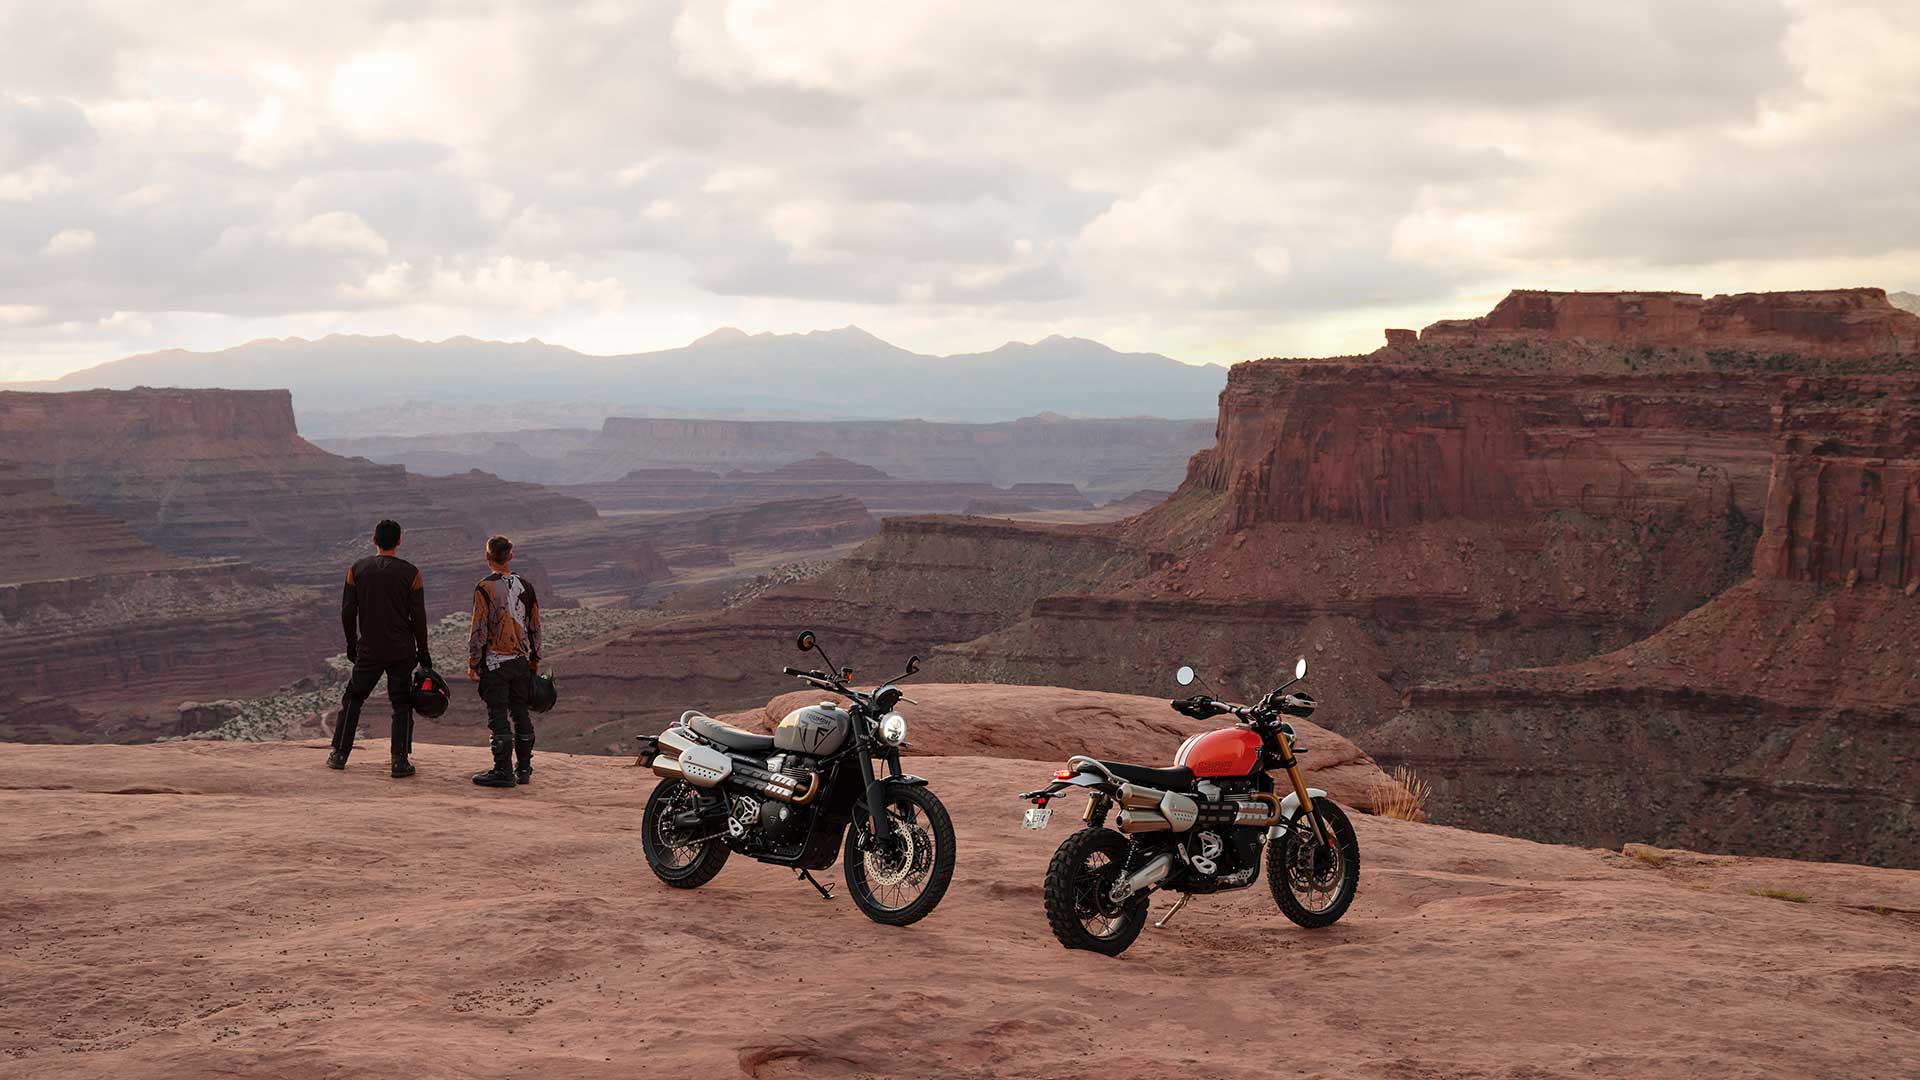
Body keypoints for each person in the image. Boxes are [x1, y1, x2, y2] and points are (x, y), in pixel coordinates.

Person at [332, 519, 431, 777]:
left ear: (374, 540)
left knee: (354, 698)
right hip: (401, 649)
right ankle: (399, 761)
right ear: (399, 541)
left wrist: (351, 642)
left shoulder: (357, 569)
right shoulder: (412, 573)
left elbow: (347, 610)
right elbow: (418, 617)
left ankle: (339, 754)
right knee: (401, 703)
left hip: (370, 648)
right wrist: (424, 651)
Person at [467, 534, 541, 788]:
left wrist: (474, 662)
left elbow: (479, 628)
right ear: (510, 555)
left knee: (497, 714)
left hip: (496, 663)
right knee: (520, 712)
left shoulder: (484, 587)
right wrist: (535, 658)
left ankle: (503, 771)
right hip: (520, 661)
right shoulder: (527, 586)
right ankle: (524, 770)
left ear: (488, 557)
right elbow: (535, 626)